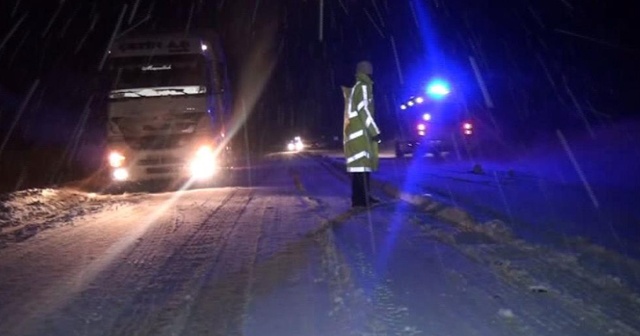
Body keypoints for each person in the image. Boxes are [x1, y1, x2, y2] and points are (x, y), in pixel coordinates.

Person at [342, 60, 381, 208]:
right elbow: (363, 110)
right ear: (367, 72)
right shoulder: (364, 86)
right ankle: (363, 200)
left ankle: (359, 199)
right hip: (362, 134)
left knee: (359, 169)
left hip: (354, 134)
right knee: (363, 168)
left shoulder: (355, 87)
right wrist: (375, 131)